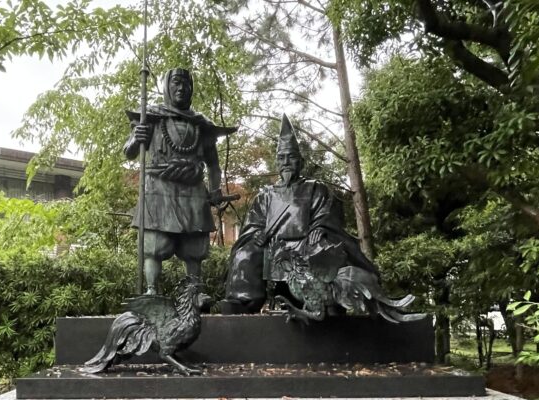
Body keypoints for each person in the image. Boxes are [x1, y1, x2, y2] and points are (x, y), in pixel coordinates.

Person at [223, 114, 377, 313]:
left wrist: (320, 227)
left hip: (306, 242)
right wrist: (257, 235)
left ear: (300, 161)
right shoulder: (265, 196)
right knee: (246, 252)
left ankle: (329, 300)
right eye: (281, 158)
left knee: (326, 248)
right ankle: (244, 300)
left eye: (291, 157)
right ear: (276, 163)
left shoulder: (316, 189)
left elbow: (326, 215)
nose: (286, 162)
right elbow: (254, 224)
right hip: (273, 246)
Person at [124, 68, 236, 295]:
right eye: (176, 82)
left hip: (192, 190)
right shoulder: (151, 117)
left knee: (193, 246)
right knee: (155, 245)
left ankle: (194, 292)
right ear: (166, 86)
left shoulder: (200, 125)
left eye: (187, 84)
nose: (182, 88)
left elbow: (213, 165)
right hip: (158, 189)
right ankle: (151, 291)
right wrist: (137, 138)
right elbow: (128, 152)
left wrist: (215, 189)